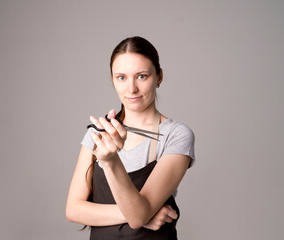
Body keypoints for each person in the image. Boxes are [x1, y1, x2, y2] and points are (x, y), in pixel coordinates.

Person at [66, 36, 195, 240]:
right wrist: (144, 215)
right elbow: (74, 210)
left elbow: (137, 217)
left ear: (159, 77)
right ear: (112, 79)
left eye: (142, 76)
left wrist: (110, 161)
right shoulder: (99, 132)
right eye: (121, 77)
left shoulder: (175, 135)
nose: (131, 89)